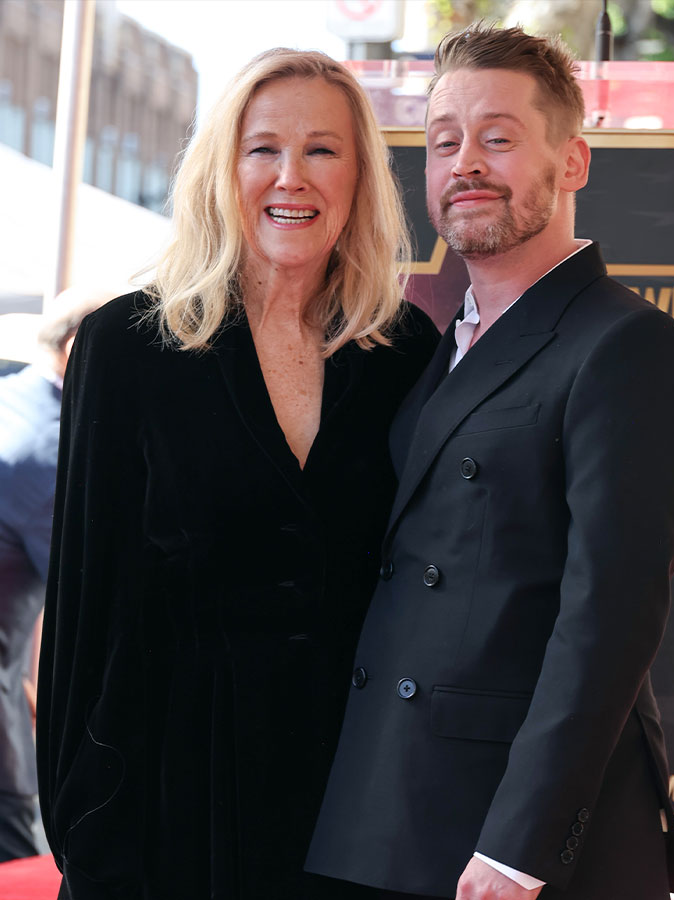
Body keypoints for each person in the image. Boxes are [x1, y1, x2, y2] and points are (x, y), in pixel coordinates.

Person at [306, 24, 674, 900]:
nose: (465, 163)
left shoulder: (628, 345)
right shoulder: (436, 347)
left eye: (498, 137)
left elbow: (610, 618)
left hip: (509, 842)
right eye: (445, 141)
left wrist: (520, 847)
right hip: (391, 807)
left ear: (574, 164)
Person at [36, 49, 439, 900]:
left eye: (322, 150)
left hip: (352, 811)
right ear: (223, 168)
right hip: (160, 808)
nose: (291, 176)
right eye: (263, 149)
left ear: (361, 175)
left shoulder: (405, 354)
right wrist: (82, 822)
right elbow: (85, 601)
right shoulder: (128, 346)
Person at [0, 290, 107, 862]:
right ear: (76, 346)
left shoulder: (12, 397)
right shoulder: (49, 444)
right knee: (16, 847)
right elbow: (79, 601)